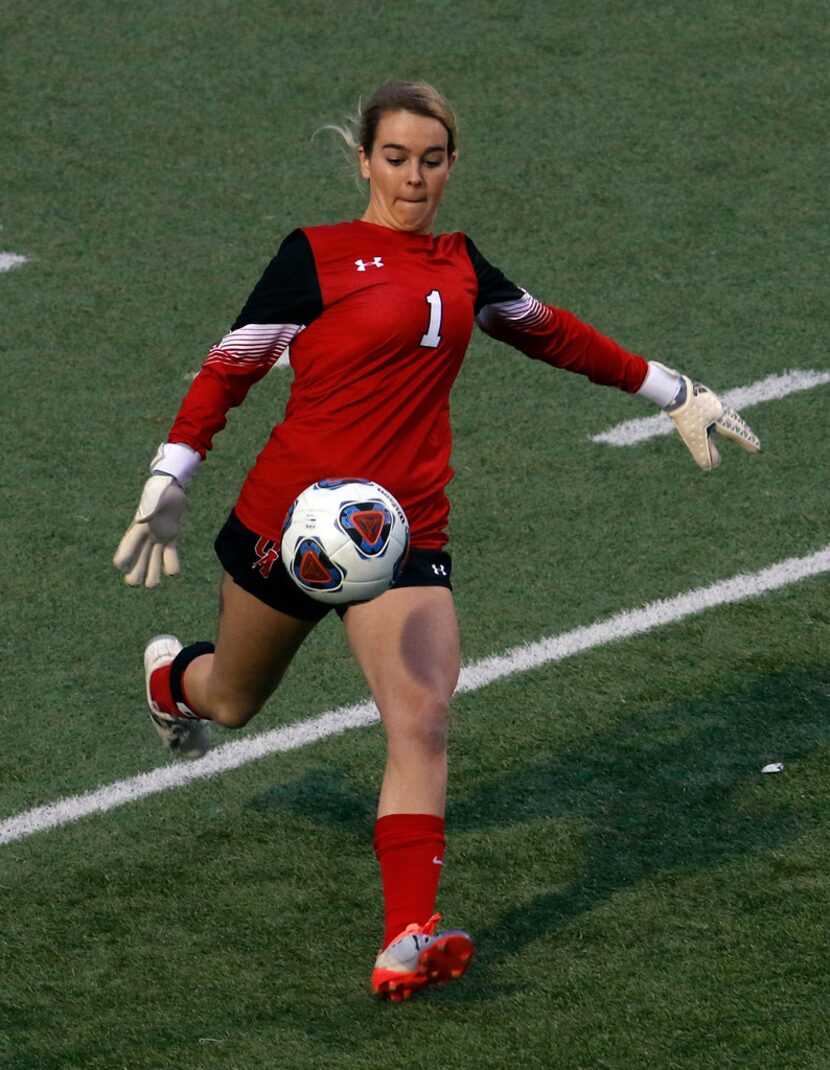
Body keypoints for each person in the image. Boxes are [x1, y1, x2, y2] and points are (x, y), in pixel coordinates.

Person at [113, 80, 761, 1002]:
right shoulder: (316, 256)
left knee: (422, 714)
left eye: (431, 159)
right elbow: (231, 367)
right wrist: (170, 477)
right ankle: (172, 678)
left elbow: (551, 335)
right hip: (289, 527)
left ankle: (407, 933)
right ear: (363, 160)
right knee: (231, 702)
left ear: (452, 163)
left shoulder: (462, 266)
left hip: (404, 533)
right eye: (395, 158)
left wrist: (673, 389)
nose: (413, 178)